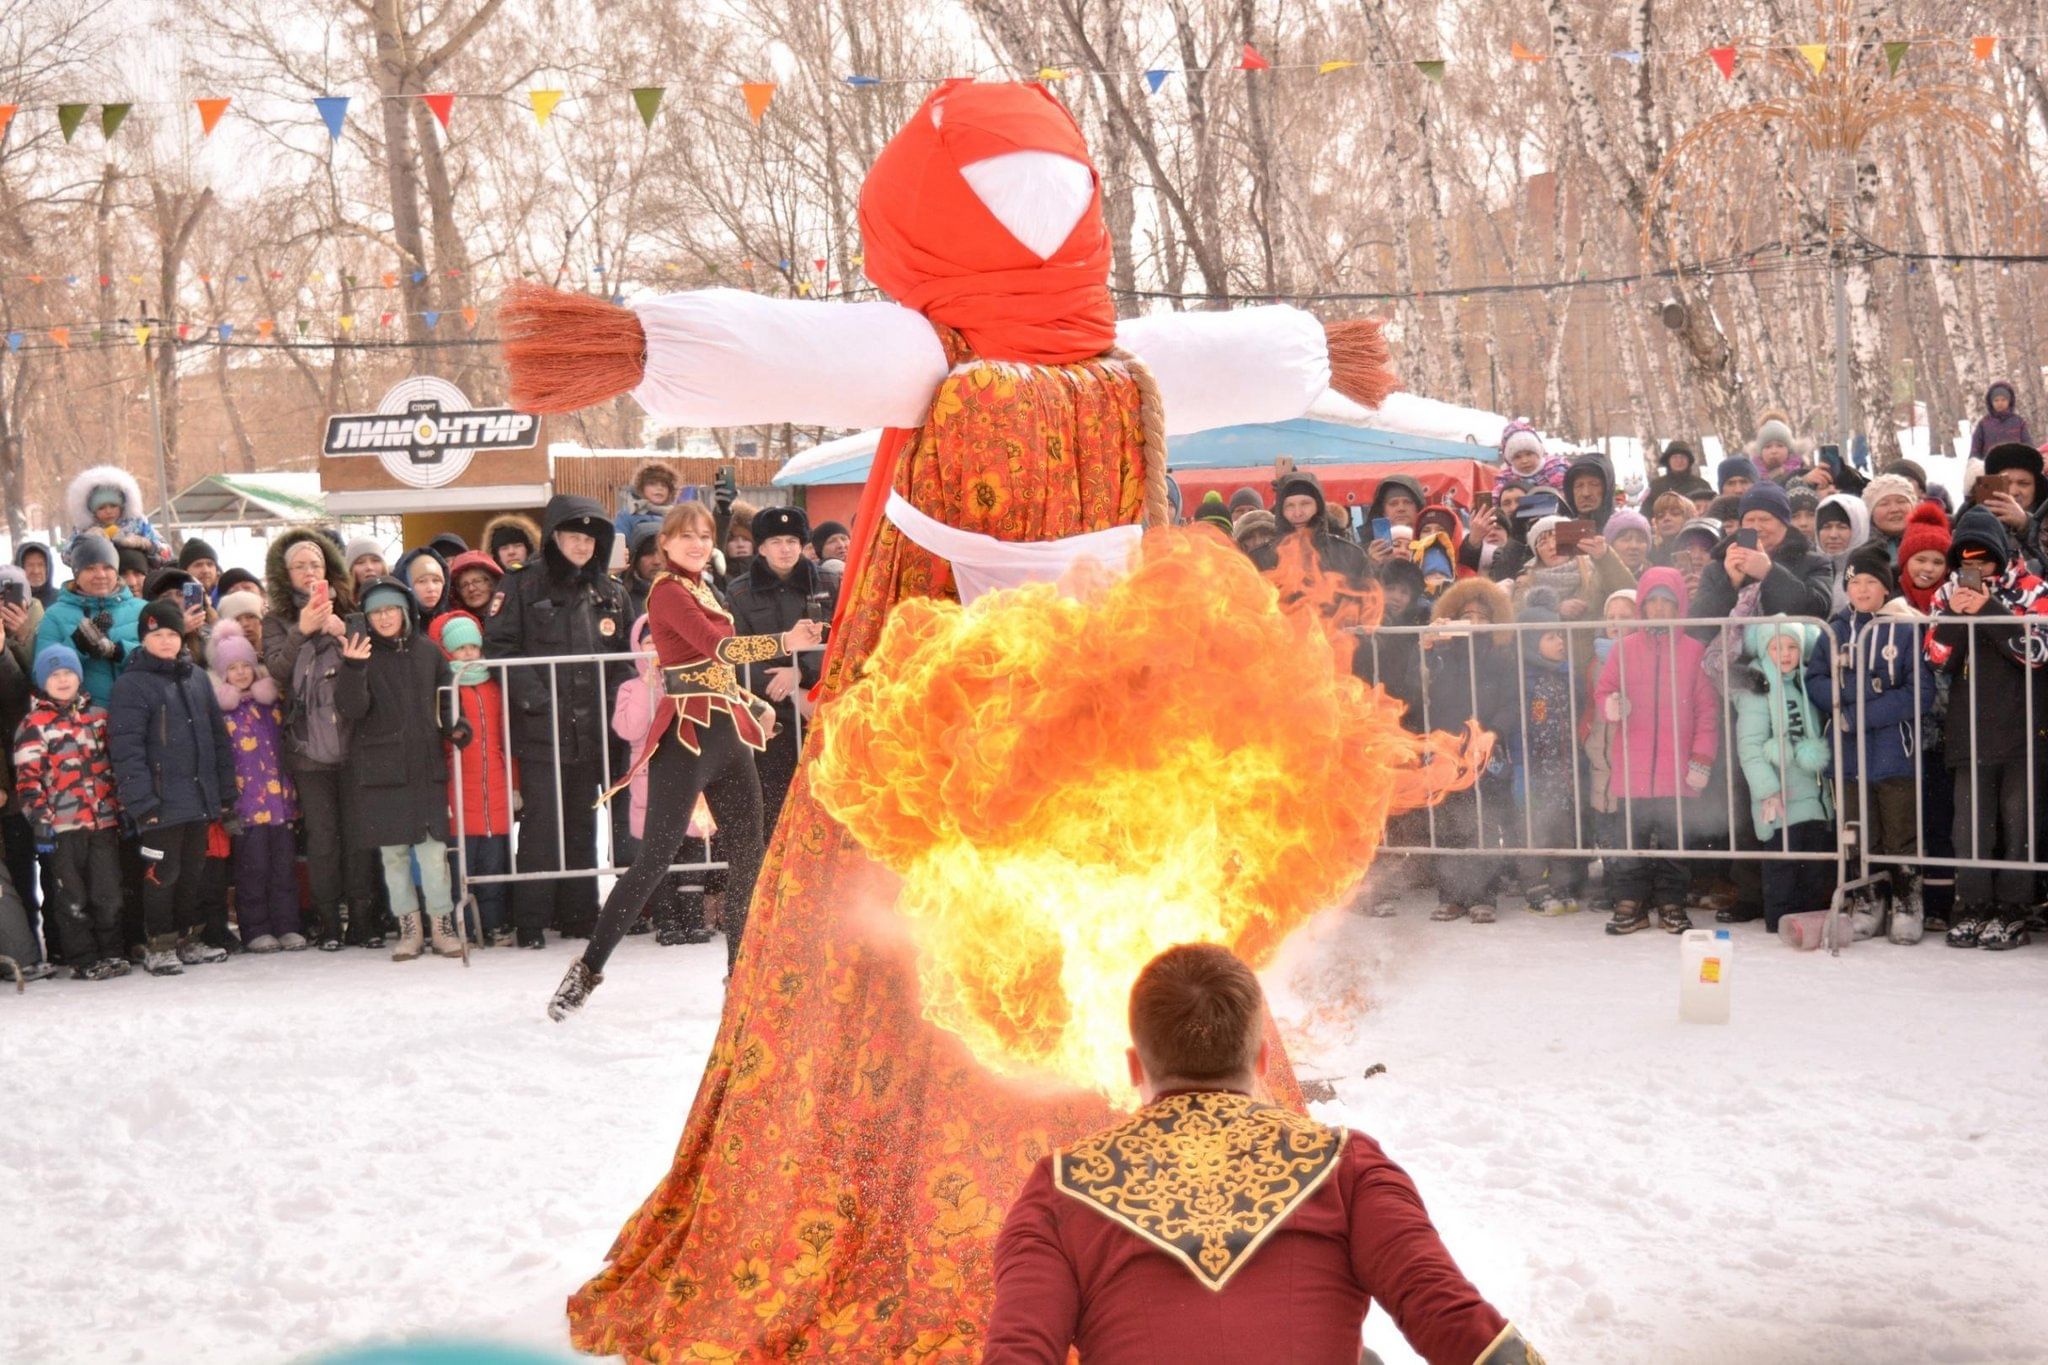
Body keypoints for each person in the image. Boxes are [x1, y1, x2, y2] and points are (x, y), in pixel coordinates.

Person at [984, 943, 1536, 1365]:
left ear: (1134, 1068)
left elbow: (1017, 1353)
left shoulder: (1059, 1189)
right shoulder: (1348, 1166)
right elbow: (1458, 1325)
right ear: (1264, 1058)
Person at [548, 503, 819, 1016]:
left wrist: (754, 702)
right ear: (665, 545)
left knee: (750, 859)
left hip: (728, 737)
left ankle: (741, 977)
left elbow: (714, 673)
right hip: (688, 738)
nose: (696, 543)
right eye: (685, 535)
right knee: (653, 860)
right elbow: (719, 650)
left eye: (704, 535)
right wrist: (786, 641)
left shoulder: (705, 588)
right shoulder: (667, 591)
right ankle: (587, 969)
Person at [483, 494, 633, 947]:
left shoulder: (610, 591)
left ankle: (579, 915)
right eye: (573, 536)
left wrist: (618, 703)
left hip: (594, 731)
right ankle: (531, 919)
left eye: (590, 538)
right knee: (542, 827)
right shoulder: (521, 586)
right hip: (541, 729)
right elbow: (500, 648)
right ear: (554, 538)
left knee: (584, 825)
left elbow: (623, 656)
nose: (583, 546)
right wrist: (538, 700)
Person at [1925, 504, 2048, 951]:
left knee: (2017, 825)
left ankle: (2013, 910)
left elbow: (2039, 652)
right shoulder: (1946, 595)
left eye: (1985, 561)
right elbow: (1935, 659)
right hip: (1968, 732)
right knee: (1970, 828)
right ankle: (1973, 906)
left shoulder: (2033, 589)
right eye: (1967, 563)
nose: (1976, 571)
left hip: (2023, 731)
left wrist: (1992, 610)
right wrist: (1958, 617)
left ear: (2001, 553)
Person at [1807, 544, 1936, 943]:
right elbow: (1815, 679)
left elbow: (1920, 692)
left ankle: (1907, 903)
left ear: (1886, 588)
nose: (1862, 590)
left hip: (1893, 751)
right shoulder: (1835, 628)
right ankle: (1866, 900)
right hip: (1846, 754)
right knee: (1856, 830)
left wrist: (1858, 712)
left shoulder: (1905, 627)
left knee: (1900, 830)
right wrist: (1860, 690)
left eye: (1871, 582)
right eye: (1855, 582)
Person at [337, 576, 468, 962]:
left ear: (405, 611)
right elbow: (351, 709)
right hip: (380, 771)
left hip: (424, 766)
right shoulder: (358, 654)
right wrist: (353, 667)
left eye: (391, 608)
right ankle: (408, 928)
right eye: (376, 611)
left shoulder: (428, 652)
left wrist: (458, 727)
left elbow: (448, 699)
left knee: (432, 854)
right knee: (393, 857)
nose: (384, 617)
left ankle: (442, 925)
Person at [262, 528, 378, 951]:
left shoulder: (352, 607)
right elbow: (276, 670)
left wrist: (342, 630)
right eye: (299, 565)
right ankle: (330, 923)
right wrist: (303, 631)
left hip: (355, 741)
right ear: (285, 574)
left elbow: (369, 661)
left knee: (358, 835)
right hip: (306, 748)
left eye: (315, 563)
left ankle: (362, 920)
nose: (309, 571)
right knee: (323, 839)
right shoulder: (275, 620)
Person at [108, 599, 237, 976]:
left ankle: (188, 937)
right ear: (144, 639)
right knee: (161, 876)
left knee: (193, 872)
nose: (166, 641)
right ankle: (159, 942)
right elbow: (126, 750)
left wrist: (224, 791)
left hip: (198, 800)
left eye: (172, 634)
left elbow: (217, 738)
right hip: (159, 805)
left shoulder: (195, 677)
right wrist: (141, 801)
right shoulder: (131, 685)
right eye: (157, 635)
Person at [1593, 567, 1719, 935]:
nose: (1660, 609)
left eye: (1668, 601)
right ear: (1643, 607)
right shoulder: (1624, 649)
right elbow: (1604, 691)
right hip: (1632, 769)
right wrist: (1611, 705)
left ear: (1679, 605)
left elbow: (1707, 712)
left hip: (1677, 771)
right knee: (1629, 841)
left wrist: (1702, 757)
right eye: (1653, 602)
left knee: (1673, 843)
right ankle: (1629, 900)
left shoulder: (1694, 651)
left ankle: (1671, 900)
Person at [10, 643, 127, 979]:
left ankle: (112, 951)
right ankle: (84, 957)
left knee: (108, 893)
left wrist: (121, 810)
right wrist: (40, 821)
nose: (62, 680)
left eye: (68, 673)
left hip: (102, 822)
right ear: (43, 681)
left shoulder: (98, 717)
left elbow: (113, 768)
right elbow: (28, 780)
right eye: (54, 674)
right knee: (71, 896)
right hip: (61, 828)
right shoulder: (34, 725)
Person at [722, 505, 840, 834]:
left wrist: (801, 673)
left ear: (804, 544)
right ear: (761, 548)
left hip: (820, 703)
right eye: (776, 542)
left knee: (824, 800)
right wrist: (785, 687)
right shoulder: (740, 591)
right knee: (773, 801)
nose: (785, 549)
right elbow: (738, 652)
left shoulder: (830, 581)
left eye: (792, 540)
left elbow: (842, 638)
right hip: (769, 710)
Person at [610, 615, 716, 947]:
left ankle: (694, 916)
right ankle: (667, 917)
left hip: (687, 773)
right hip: (649, 780)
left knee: (692, 850)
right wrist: (648, 684)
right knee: (659, 853)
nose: (656, 649)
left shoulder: (690, 679)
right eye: (648, 643)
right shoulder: (630, 688)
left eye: (662, 641)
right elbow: (629, 729)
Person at [1421, 578, 1515, 924]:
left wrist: (1493, 734)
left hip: (1487, 751)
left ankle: (1483, 895)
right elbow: (1420, 689)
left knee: (1484, 824)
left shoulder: (1503, 656)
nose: (1474, 621)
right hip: (1447, 749)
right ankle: (1451, 896)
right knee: (1447, 823)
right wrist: (1429, 646)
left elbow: (1510, 700)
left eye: (1482, 615)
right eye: (1467, 614)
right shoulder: (1442, 653)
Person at [206, 621, 304, 952]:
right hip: (247, 808)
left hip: (281, 803)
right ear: (223, 675)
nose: (240, 673)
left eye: (245, 666)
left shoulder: (271, 705)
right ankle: (256, 928)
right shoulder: (223, 715)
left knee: (283, 870)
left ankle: (288, 925)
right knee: (253, 871)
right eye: (232, 669)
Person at [1732, 620, 1834, 933]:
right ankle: (1779, 921)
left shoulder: (1806, 683)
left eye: (1792, 647)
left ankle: (1812, 920)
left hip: (1815, 797)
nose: (1786, 654)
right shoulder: (1757, 689)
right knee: (1783, 866)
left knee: (1816, 866)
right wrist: (1768, 791)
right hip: (1780, 798)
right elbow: (1749, 747)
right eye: (1777, 648)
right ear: (1765, 650)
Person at [429, 611, 517, 947]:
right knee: (460, 866)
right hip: (457, 787)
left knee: (493, 867)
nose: (468, 654)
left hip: (494, 784)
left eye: (473, 647)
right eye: (459, 649)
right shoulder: (445, 690)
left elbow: (506, 739)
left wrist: (515, 785)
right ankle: (461, 925)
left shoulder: (494, 686)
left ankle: (494, 925)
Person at [1894, 503, 1957, 930]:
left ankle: (1939, 902)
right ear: (1905, 561)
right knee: (1902, 818)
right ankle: (1902, 898)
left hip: (1943, 732)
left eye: (1937, 561)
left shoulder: (1952, 606)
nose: (1928, 568)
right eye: (1920, 559)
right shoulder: (1893, 607)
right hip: (1901, 731)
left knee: (1939, 818)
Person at [1507, 595, 1586, 914]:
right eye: (1550, 637)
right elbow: (1517, 730)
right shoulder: (1522, 680)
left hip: (1563, 771)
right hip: (1532, 771)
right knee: (1533, 831)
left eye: (1560, 636)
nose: (1560, 643)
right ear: (1530, 642)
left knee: (1563, 831)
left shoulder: (1567, 675)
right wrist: (1520, 771)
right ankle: (1535, 887)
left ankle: (1562, 883)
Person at [1690, 482, 1834, 634]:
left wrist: (1769, 573)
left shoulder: (1815, 562)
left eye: (1765, 519)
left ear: (1784, 523)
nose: (1757, 527)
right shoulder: (1719, 566)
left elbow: (1819, 609)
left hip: (1790, 655)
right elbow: (1699, 624)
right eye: (1750, 520)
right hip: (1733, 656)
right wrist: (1731, 584)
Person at [37, 534, 143, 714]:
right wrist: (78, 645)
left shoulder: (142, 609)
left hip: (138, 714)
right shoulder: (54, 615)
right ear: (76, 575)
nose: (100, 575)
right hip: (83, 721)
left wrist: (119, 651)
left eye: (107, 567)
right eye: (90, 568)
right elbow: (40, 674)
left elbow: (163, 657)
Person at [65, 464, 168, 559]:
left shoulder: (138, 524)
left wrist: (146, 544)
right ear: (92, 510)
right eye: (101, 508)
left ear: (122, 505)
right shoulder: (83, 530)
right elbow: (66, 556)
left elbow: (166, 554)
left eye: (113, 506)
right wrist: (85, 541)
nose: (108, 511)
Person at [1814, 492, 1872, 612]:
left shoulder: (1872, 568)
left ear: (1858, 529)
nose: (1833, 535)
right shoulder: (1810, 567)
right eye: (1826, 527)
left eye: (1842, 527)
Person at [614, 459, 682, 549]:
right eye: (652, 484)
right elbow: (618, 545)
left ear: (670, 491)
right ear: (641, 488)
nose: (659, 488)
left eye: (664, 485)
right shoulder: (628, 515)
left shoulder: (677, 517)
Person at [1495, 416, 1564, 494]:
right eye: (1517, 457)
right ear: (1510, 461)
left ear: (1538, 453)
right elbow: (1497, 498)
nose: (1524, 461)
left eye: (1529, 454)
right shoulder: (1506, 479)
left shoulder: (1555, 469)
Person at [1969, 381, 2032, 464]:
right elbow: (1975, 449)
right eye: (1996, 400)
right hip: (1990, 469)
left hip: (2016, 467)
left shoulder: (2018, 422)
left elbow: (2028, 446)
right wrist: (1973, 465)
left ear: (2009, 401)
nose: (2000, 403)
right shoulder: (1984, 423)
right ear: (1991, 402)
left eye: (2003, 400)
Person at [1861, 473, 1918, 562]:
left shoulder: (1931, 542)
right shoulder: (1860, 549)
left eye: (1901, 501)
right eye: (1884, 504)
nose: (1894, 509)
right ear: (1870, 513)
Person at [1645, 439, 1712, 507]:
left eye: (1683, 457)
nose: (1679, 461)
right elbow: (1645, 512)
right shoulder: (1656, 486)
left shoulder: (1701, 486)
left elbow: (1711, 511)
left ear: (1689, 461)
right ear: (1668, 461)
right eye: (1675, 457)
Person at [618, 524, 665, 621]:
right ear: (635, 559)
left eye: (661, 553)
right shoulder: (621, 597)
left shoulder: (683, 593)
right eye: (648, 553)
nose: (656, 561)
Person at [394, 545, 450, 624]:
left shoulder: (452, 621)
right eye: (422, 581)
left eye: (436, 580)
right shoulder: (396, 626)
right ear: (407, 584)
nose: (431, 588)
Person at [1562, 453, 1613, 530]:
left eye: (1594, 484)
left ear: (1607, 488)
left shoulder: (1624, 530)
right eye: (1579, 485)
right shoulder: (1559, 531)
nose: (1586, 493)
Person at [447, 549, 502, 617]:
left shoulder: (511, 615)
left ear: (492, 582)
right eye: (464, 585)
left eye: (477, 581)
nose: (471, 589)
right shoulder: (455, 622)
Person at [1603, 507, 1652, 578]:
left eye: (1640, 540)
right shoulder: (1596, 578)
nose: (1634, 546)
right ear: (1610, 544)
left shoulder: (1657, 578)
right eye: (1626, 539)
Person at [14, 542, 58, 609]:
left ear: (48, 568)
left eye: (41, 565)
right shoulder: (9, 602)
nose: (36, 571)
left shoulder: (62, 601)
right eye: (30, 565)